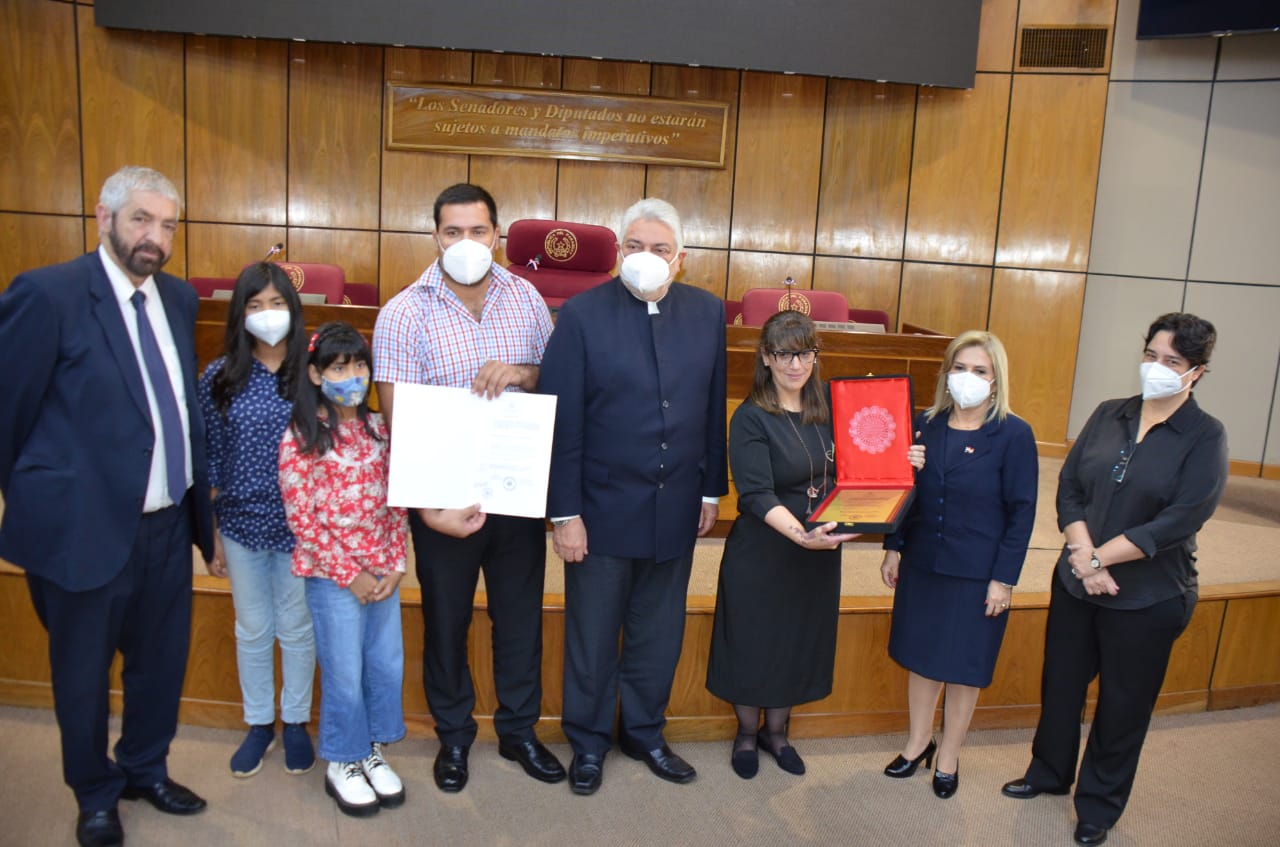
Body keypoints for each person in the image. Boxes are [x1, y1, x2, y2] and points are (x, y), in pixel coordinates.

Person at [0, 165, 214, 847]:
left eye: (168, 225)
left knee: (160, 664)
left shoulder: (178, 299)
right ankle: (94, 792)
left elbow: (182, 413)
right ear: (104, 217)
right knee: (83, 677)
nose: (155, 237)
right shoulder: (48, 294)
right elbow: (8, 413)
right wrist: (40, 503)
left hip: (165, 526)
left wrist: (199, 521)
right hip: (80, 532)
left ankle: (145, 767)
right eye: (141, 220)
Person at [1002, 313, 1228, 847]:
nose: (1156, 368)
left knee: (1123, 705)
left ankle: (1098, 806)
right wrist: (1084, 557)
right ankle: (1050, 773)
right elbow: (1070, 489)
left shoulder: (1205, 436)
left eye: (1171, 362)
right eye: (1151, 355)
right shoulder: (1110, 414)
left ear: (1195, 372)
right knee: (1061, 685)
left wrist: (1101, 561)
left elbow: (1181, 517)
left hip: (1149, 596)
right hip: (1078, 580)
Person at [372, 183, 563, 792]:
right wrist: (427, 510)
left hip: (515, 495)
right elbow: (398, 423)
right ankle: (453, 736)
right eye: (452, 232)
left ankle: (518, 732)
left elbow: (557, 384)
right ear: (435, 237)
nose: (465, 243)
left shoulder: (528, 300)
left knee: (519, 620)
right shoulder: (403, 313)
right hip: (444, 506)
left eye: (477, 232)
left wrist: (526, 372)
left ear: (496, 236)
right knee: (446, 622)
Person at [539, 197, 728, 796]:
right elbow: (563, 423)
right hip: (598, 513)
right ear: (620, 251)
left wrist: (710, 489)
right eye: (635, 247)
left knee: (658, 632)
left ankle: (645, 733)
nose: (647, 258)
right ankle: (589, 742)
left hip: (675, 509)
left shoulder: (706, 313)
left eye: (661, 249)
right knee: (592, 636)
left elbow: (710, 405)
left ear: (682, 259)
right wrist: (563, 514)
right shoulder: (581, 315)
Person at [707, 311, 926, 779]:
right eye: (783, 353)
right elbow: (756, 494)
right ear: (765, 358)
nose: (795, 364)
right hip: (766, 549)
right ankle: (747, 734)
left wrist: (903, 456)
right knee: (753, 640)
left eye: (805, 352)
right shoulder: (750, 417)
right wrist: (801, 536)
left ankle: (778, 733)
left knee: (795, 640)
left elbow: (866, 466)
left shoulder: (832, 407)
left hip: (818, 550)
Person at [878, 330, 1038, 799]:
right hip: (924, 562)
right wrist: (894, 547)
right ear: (947, 372)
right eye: (961, 368)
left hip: (978, 572)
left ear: (996, 379)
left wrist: (1003, 580)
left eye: (980, 371)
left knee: (965, 666)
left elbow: (1021, 512)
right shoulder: (924, 423)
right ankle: (916, 744)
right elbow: (905, 494)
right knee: (922, 659)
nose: (968, 378)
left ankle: (948, 755)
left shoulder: (1013, 433)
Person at [279, 321, 408, 817]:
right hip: (335, 578)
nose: (351, 376)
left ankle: (371, 749)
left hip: (383, 574)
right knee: (345, 671)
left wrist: (396, 563)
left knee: (383, 665)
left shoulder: (379, 428)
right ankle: (342, 760)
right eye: (338, 367)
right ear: (315, 375)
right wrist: (349, 573)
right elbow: (302, 518)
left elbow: (398, 501)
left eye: (358, 365)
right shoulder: (302, 433)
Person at [198, 262, 316, 778]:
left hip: (302, 528)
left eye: (276, 303)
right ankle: (258, 723)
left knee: (295, 627)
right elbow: (211, 460)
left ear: (293, 308)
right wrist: (212, 534)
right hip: (241, 524)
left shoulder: (315, 371)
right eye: (254, 305)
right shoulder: (220, 376)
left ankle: (293, 723)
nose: (267, 315)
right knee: (252, 628)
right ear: (239, 314)